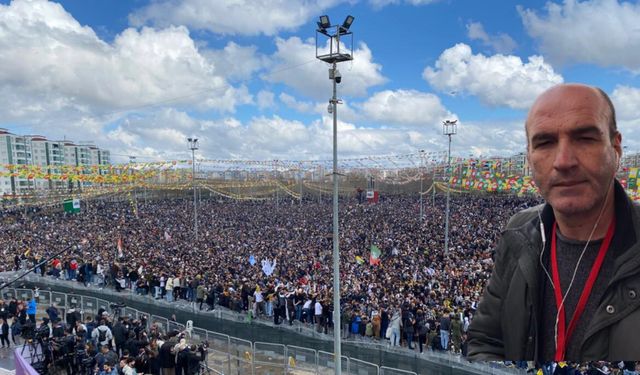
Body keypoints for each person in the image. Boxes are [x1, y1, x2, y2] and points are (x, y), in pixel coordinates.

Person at [467, 83, 639, 361]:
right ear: (530, 158)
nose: (563, 161)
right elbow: (486, 343)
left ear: (616, 147)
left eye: (584, 138)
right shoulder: (518, 234)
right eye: (545, 142)